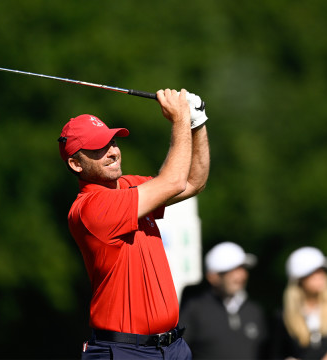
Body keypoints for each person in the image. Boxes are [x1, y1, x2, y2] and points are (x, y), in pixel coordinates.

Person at [58, 89, 209, 360]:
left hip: (172, 347)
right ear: (75, 164)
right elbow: (173, 182)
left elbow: (192, 182)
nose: (112, 151)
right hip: (125, 351)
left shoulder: (128, 187)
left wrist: (197, 124)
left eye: (113, 142)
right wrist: (179, 119)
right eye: (97, 148)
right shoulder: (90, 208)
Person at [179, 242, 268, 359]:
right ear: (213, 277)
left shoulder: (254, 311)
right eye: (232, 271)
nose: (241, 276)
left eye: (242, 269)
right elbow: (178, 353)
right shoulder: (194, 309)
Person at [270, 247, 327, 360]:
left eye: (322, 271)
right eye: (313, 272)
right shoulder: (283, 316)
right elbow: (276, 353)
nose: (320, 276)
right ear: (299, 280)